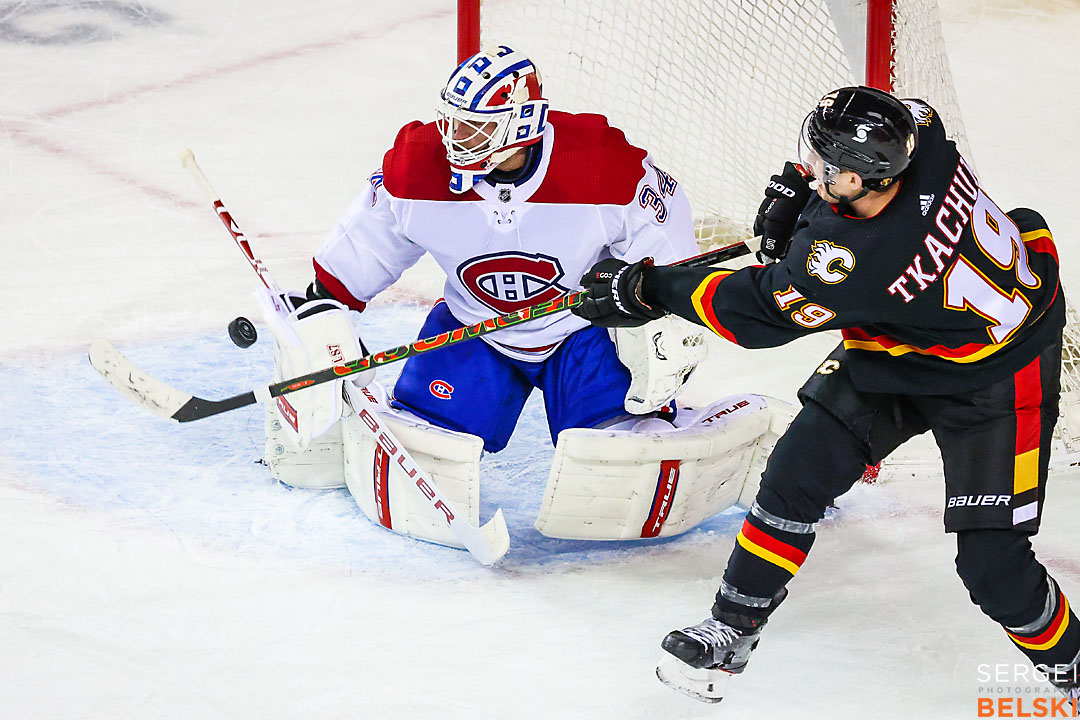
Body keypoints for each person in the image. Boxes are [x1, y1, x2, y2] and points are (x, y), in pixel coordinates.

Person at [574, 86, 1079, 704]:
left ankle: (1075, 669)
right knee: (795, 472)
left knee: (994, 569)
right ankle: (731, 630)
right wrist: (799, 188)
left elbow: (755, 314)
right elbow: (910, 114)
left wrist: (648, 289)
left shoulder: (861, 260)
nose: (811, 169)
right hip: (911, 339)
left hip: (998, 374)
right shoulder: (922, 142)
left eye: (822, 168)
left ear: (860, 180)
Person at [261, 45, 781, 548]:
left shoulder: (600, 164)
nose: (454, 139)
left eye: (476, 127)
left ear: (522, 125)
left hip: (580, 332)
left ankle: (736, 426)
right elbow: (368, 243)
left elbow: (666, 239)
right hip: (473, 331)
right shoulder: (418, 167)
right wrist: (323, 302)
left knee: (620, 469)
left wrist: (656, 306)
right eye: (453, 122)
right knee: (423, 455)